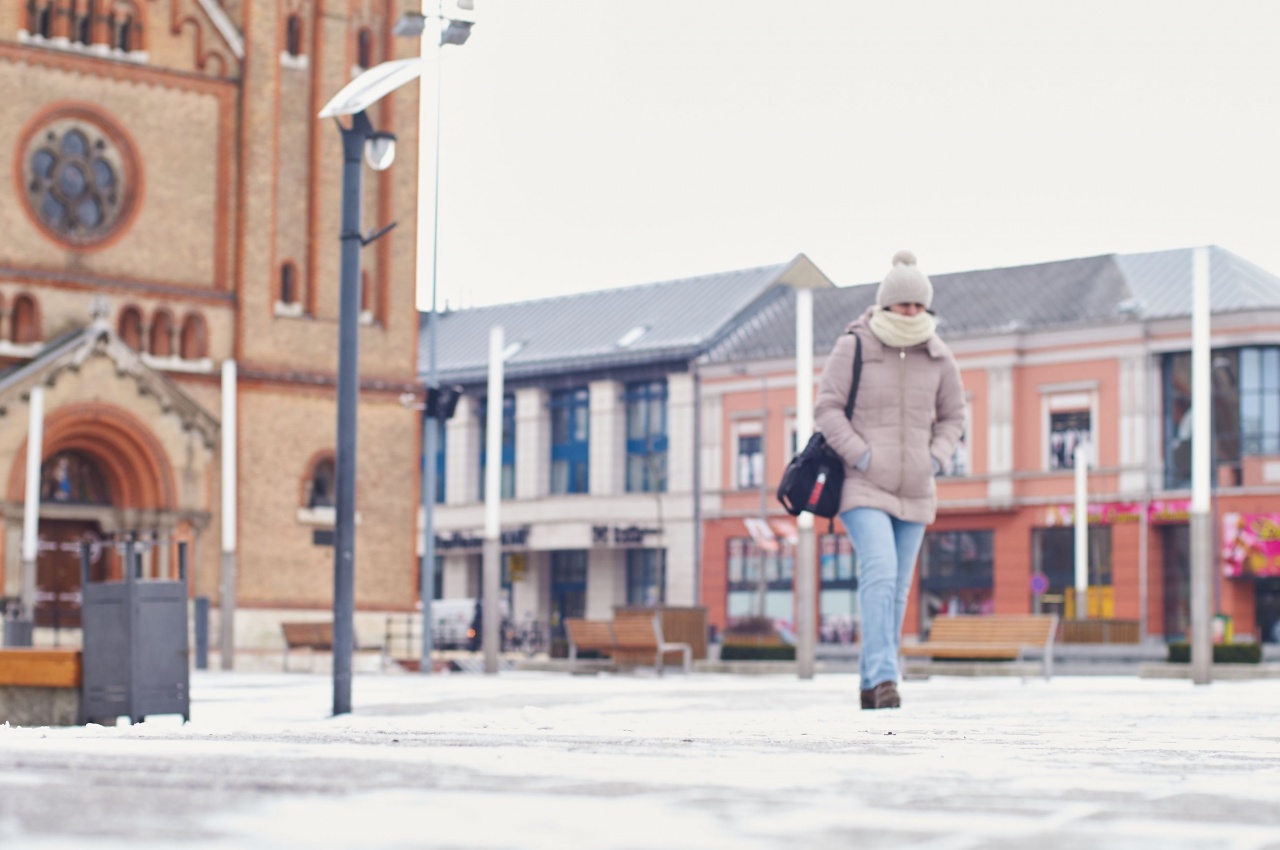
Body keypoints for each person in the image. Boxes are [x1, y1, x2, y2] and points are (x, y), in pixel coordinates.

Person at [815, 250, 966, 710]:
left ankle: (869, 680)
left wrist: (935, 458)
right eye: (904, 305)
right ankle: (886, 677)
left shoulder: (940, 357)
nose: (912, 314)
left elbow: (953, 417)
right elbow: (827, 408)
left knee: (898, 587)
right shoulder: (855, 346)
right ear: (886, 304)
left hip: (917, 488)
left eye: (919, 306)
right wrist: (860, 455)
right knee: (879, 574)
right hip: (864, 485)